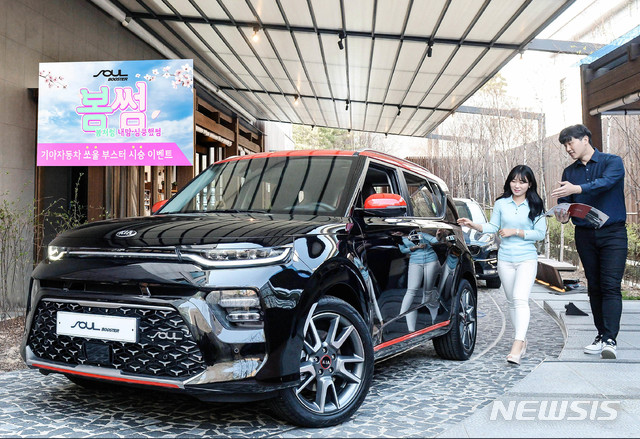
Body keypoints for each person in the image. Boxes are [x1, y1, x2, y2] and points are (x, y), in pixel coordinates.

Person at [551, 124, 627, 360]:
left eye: (570, 143)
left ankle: (610, 339)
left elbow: (606, 183)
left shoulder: (612, 162)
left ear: (585, 139)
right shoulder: (569, 172)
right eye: (565, 145)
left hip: (613, 233)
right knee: (594, 286)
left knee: (610, 285)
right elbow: (567, 203)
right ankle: (601, 335)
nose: (568, 148)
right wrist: (563, 215)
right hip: (584, 234)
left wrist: (578, 188)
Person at [458, 165, 546, 365]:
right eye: (514, 181)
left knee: (520, 298)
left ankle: (517, 344)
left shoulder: (536, 204)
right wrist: (473, 225)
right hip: (505, 259)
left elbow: (540, 234)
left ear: (530, 184)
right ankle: (522, 340)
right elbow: (493, 227)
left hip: (526, 258)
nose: (517, 185)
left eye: (522, 182)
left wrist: (516, 232)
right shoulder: (501, 203)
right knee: (511, 301)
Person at [398, 230, 441, 331]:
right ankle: (401, 315)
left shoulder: (420, 234)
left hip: (430, 260)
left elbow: (434, 240)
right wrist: (416, 247)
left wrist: (438, 236)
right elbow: (403, 250)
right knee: (411, 289)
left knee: (427, 290)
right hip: (415, 261)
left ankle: (430, 319)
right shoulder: (400, 239)